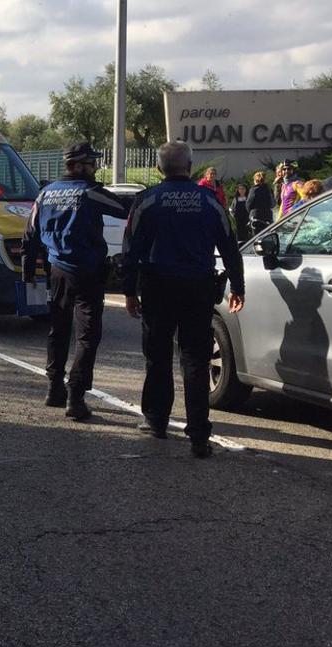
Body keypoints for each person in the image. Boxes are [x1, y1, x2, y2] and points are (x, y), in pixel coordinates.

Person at [123, 141, 245, 459]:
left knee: (158, 356)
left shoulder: (146, 200)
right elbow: (230, 246)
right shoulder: (210, 201)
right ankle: (199, 435)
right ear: (191, 166)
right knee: (194, 359)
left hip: (157, 288)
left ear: (160, 169)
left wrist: (128, 291)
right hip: (198, 288)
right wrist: (238, 287)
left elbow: (130, 250)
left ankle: (156, 420)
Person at [22, 141, 129, 421]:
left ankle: (53, 388)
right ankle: (76, 397)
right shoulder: (90, 192)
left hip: (56, 271)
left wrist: (28, 271)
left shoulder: (45, 193)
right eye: (92, 163)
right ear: (79, 165)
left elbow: (30, 234)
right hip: (88, 273)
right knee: (87, 335)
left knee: (58, 330)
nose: (94, 168)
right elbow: (121, 207)